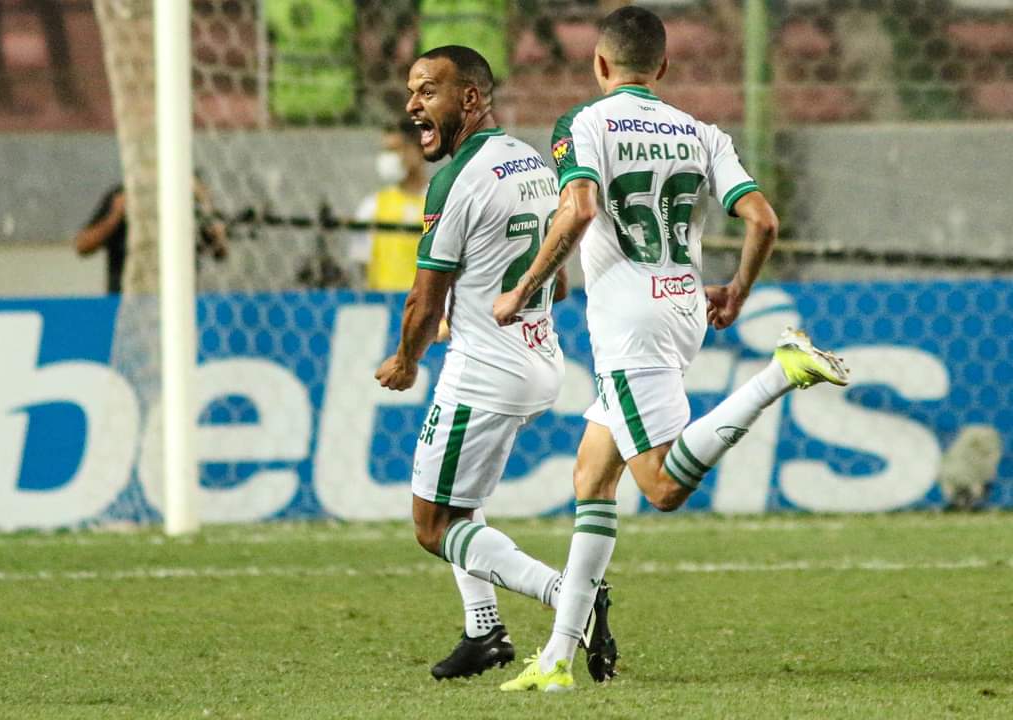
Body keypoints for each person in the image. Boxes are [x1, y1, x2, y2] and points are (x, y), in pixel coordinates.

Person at [493, 6, 850, 692]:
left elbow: (580, 209)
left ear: (599, 64)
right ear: (661, 68)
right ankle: (560, 658)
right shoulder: (701, 132)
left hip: (627, 318)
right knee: (593, 478)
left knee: (657, 486)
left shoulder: (583, 123)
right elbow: (763, 219)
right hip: (682, 303)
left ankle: (779, 372)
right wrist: (738, 290)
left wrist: (525, 288)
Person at [374, 45, 617, 683]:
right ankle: (485, 631)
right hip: (539, 356)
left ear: (471, 99)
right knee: (463, 500)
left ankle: (573, 597)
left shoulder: (457, 181)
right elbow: (556, 283)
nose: (412, 105)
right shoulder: (531, 163)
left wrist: (404, 360)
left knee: (431, 525)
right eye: (411, 91)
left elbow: (422, 301)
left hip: (485, 371)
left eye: (428, 91)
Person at [74, 179, 228, 294]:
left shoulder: (187, 196)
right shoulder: (125, 194)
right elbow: (82, 246)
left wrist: (207, 209)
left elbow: (220, 252)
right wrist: (115, 216)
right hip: (128, 296)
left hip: (178, 296)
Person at [351, 120, 429, 291]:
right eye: (385, 150)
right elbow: (362, 263)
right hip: (384, 303)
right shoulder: (372, 206)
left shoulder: (442, 204)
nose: (388, 158)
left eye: (396, 150)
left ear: (420, 150)